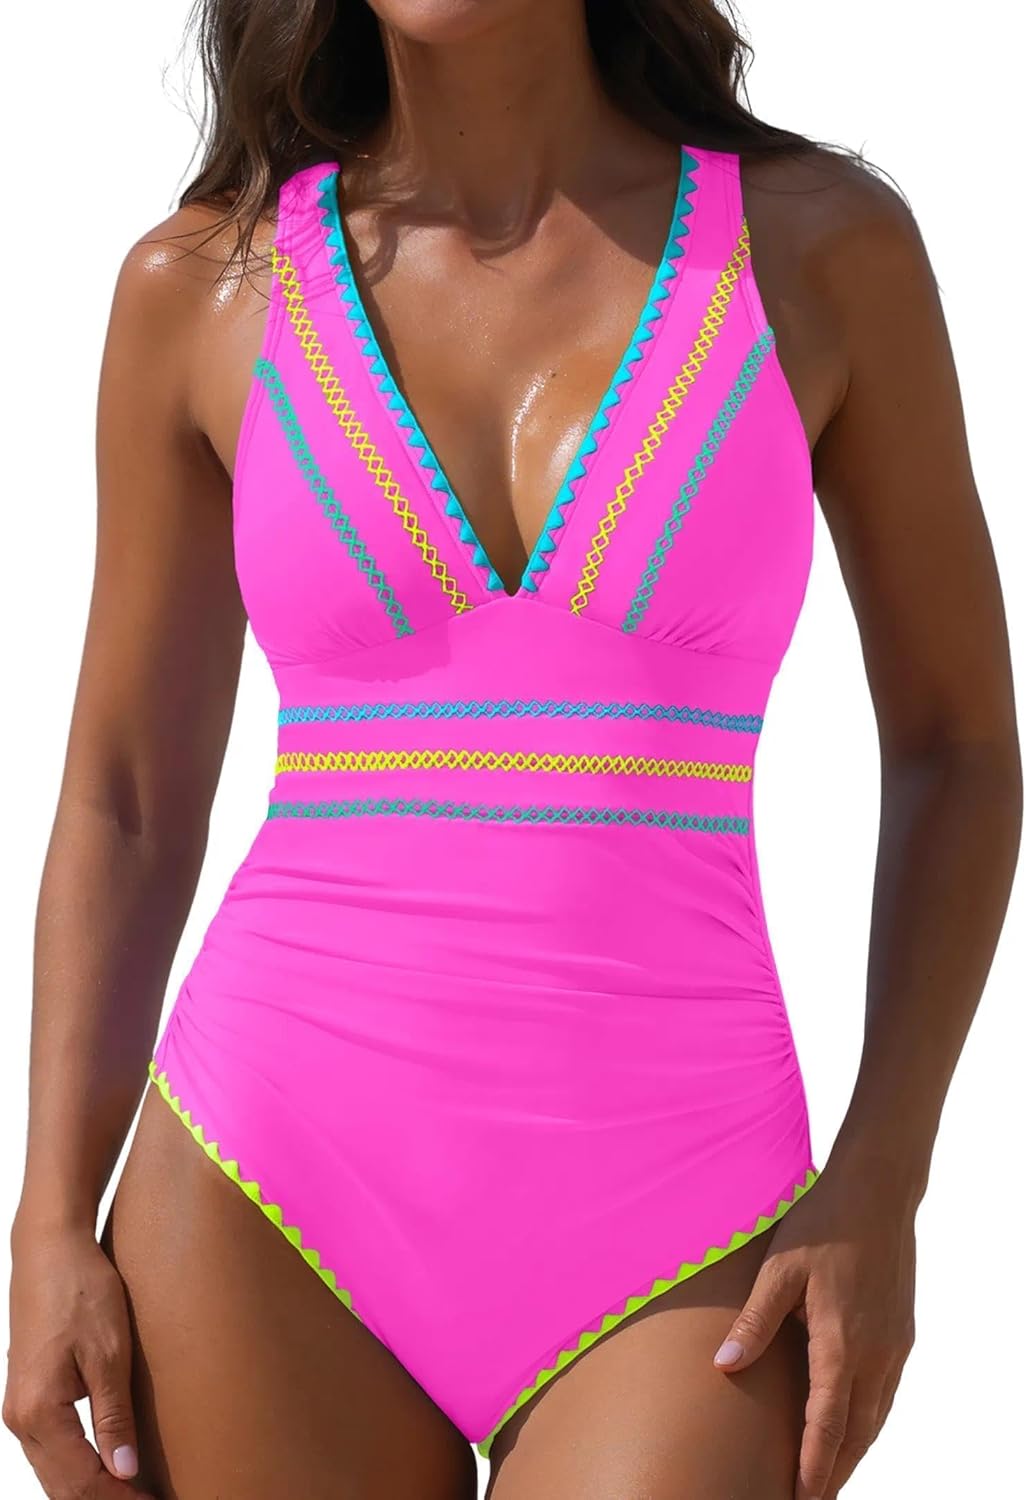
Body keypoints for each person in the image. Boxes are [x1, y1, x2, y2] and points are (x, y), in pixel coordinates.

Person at [4, 2, 1021, 1497]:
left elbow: (958, 745)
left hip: (690, 1200)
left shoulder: (818, 248)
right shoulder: (204, 285)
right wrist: (46, 1221)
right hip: (262, 1181)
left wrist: (885, 1174)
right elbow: (126, 798)